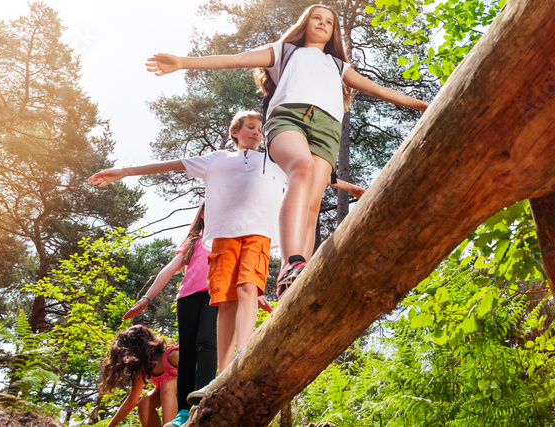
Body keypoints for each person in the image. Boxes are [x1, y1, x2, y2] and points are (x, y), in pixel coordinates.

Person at [145, 4, 426, 296]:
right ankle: (292, 261)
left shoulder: (338, 66)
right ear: (305, 23)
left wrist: (424, 106)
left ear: (333, 32)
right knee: (301, 169)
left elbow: (379, 89)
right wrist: (182, 61)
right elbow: (235, 59)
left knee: (313, 203)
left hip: (328, 128)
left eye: (328, 22)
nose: (322, 23)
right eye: (316, 18)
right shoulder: (284, 52)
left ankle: (296, 278)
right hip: (289, 117)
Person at [88, 111, 362, 392]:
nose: (257, 133)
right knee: (226, 300)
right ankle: (224, 371)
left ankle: (244, 352)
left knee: (248, 289)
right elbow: (171, 165)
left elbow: (309, 174)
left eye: (260, 130)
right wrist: (124, 172)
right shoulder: (216, 160)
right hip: (223, 237)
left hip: (258, 234)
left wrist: (350, 187)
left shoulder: (272, 161)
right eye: (251, 128)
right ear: (235, 132)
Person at [120, 203, 217, 427]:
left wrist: (253, 292)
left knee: (206, 341)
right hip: (187, 298)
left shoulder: (227, 236)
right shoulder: (193, 241)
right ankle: (184, 411)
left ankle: (204, 400)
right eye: (211, 206)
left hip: (214, 293)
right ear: (202, 213)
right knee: (187, 354)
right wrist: (146, 298)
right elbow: (169, 269)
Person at [98, 325, 178, 427]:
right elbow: (131, 401)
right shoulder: (143, 369)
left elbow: (198, 367)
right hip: (170, 392)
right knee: (145, 403)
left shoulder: (171, 356)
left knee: (167, 386)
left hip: (190, 387)